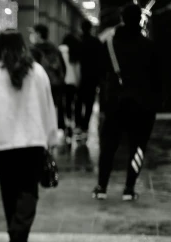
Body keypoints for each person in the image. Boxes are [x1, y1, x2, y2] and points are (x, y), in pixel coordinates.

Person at [0, 30, 57, 242]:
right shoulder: (37, 71)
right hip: (33, 140)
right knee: (29, 190)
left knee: (9, 190)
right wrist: (51, 137)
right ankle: (20, 233)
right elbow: (49, 105)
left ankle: (14, 234)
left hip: (2, 141)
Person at [93, 4, 161, 201]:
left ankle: (101, 187)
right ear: (140, 19)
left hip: (115, 103)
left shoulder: (110, 45)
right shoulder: (149, 46)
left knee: (108, 146)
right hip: (142, 106)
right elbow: (157, 80)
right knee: (137, 147)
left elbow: (101, 75)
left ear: (122, 19)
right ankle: (129, 188)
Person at [30, 24, 66, 133]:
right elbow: (63, 68)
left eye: (33, 33)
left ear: (38, 34)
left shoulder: (33, 50)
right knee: (53, 110)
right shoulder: (54, 48)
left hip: (39, 86)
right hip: (55, 85)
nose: (31, 36)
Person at [76, 20, 101, 139]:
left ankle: (78, 125)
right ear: (91, 28)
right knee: (89, 102)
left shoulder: (78, 42)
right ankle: (85, 126)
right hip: (92, 77)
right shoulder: (96, 42)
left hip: (79, 77)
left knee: (78, 102)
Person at [60, 31, 81, 144]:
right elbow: (77, 69)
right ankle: (72, 124)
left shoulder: (60, 50)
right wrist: (78, 82)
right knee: (71, 104)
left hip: (62, 81)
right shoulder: (75, 50)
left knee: (63, 105)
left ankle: (66, 125)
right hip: (72, 82)